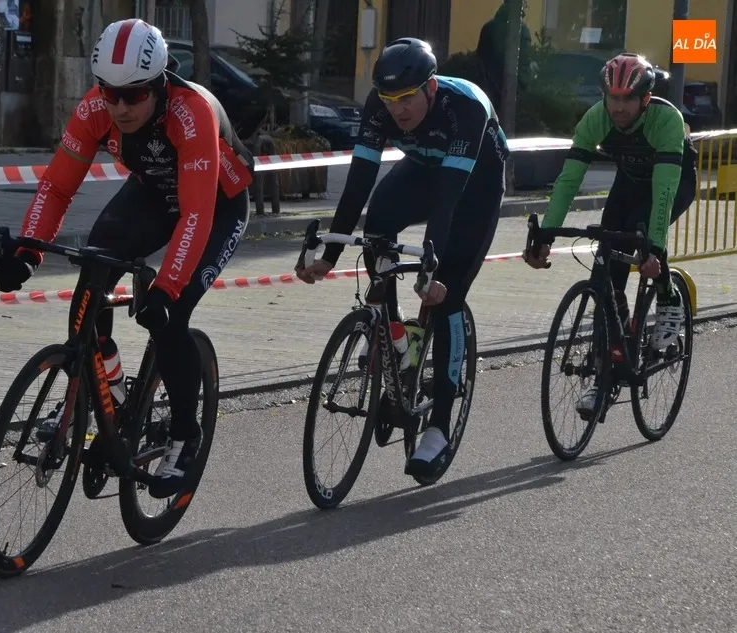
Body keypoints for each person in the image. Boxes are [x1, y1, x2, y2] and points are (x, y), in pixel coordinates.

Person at [0, 19, 254, 499]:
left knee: (170, 318)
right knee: (92, 277)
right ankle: (97, 389)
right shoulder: (95, 110)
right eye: (110, 93)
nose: (120, 107)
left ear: (159, 84)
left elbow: (196, 214)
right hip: (153, 194)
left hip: (216, 207)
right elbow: (56, 187)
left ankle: (185, 434)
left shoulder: (190, 113)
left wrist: (166, 289)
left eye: (134, 95)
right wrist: (27, 251)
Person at [295, 38, 509, 480]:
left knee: (445, 296)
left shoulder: (464, 107)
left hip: (475, 186)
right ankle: (396, 338)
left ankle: (440, 426)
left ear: (431, 87)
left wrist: (432, 270)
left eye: (407, 98)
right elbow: (358, 183)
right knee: (378, 225)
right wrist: (331, 253)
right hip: (424, 170)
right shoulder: (379, 106)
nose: (398, 109)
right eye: (390, 99)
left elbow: (448, 201)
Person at [524, 53, 697, 418]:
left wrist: (654, 248)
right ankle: (605, 371)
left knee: (643, 232)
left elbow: (664, 193)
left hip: (673, 182)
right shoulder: (596, 119)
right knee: (606, 263)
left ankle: (668, 299)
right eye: (612, 98)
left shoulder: (665, 119)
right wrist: (546, 235)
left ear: (645, 98)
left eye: (627, 99)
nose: (618, 108)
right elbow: (569, 180)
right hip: (630, 184)